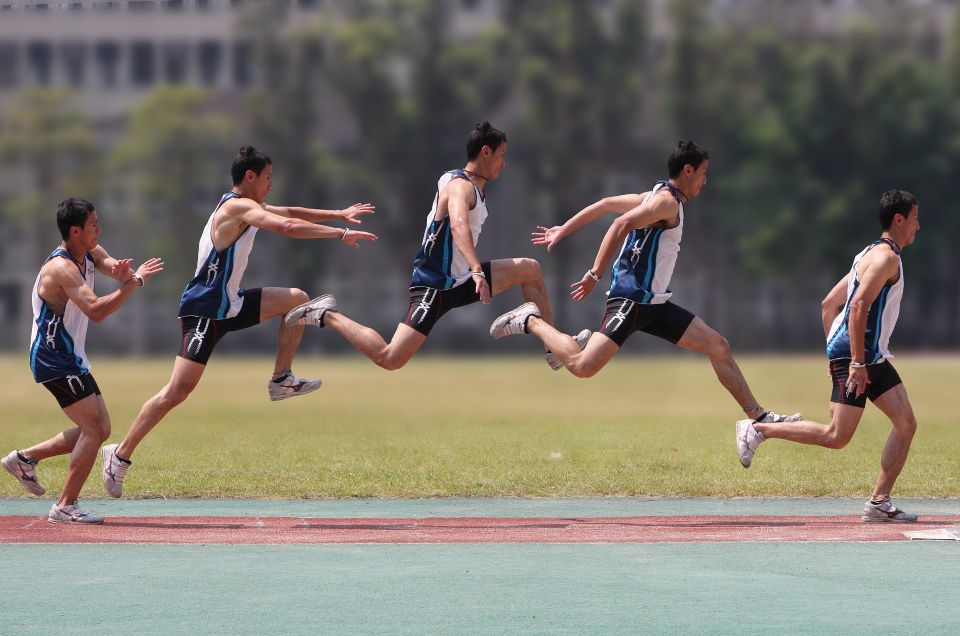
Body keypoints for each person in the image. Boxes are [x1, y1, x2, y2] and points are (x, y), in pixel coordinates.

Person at [100, 146, 376, 498]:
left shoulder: (249, 206)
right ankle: (119, 455)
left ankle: (281, 379)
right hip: (204, 310)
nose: (270, 185)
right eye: (267, 178)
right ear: (250, 176)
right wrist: (339, 234)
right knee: (177, 391)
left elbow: (289, 212)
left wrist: (338, 214)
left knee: (297, 299)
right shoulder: (235, 208)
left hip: (230, 304)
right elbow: (287, 226)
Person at [490, 140, 799, 426]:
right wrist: (595, 273)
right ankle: (529, 320)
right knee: (583, 366)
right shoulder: (666, 202)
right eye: (703, 173)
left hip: (654, 305)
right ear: (687, 170)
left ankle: (758, 419)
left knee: (718, 346)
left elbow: (605, 204)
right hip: (631, 302)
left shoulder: (653, 196)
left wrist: (563, 229)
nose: (705, 180)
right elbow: (620, 222)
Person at [286, 122, 586, 370]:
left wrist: (472, 272)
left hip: (461, 280)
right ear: (485, 151)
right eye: (501, 155)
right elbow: (458, 225)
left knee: (530, 270)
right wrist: (477, 270)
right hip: (434, 286)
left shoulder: (470, 186)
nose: (504, 163)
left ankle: (553, 349)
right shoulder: (459, 187)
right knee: (390, 358)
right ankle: (326, 314)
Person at [737, 190, 921, 523]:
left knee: (906, 423)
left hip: (868, 356)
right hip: (861, 357)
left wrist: (835, 354)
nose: (917, 226)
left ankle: (879, 503)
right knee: (836, 436)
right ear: (899, 219)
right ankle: (760, 429)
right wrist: (853, 362)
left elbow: (828, 304)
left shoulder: (867, 254)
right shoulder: (886, 259)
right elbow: (859, 305)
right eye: (915, 219)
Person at [1, 198, 163, 523]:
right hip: (53, 357)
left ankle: (25, 459)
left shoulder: (90, 251)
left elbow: (112, 266)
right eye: (93, 225)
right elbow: (97, 311)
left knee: (101, 428)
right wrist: (136, 281)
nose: (98, 230)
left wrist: (123, 272)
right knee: (93, 428)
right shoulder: (61, 269)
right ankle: (65, 506)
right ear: (75, 231)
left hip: (69, 355)